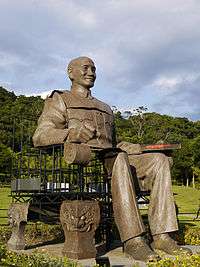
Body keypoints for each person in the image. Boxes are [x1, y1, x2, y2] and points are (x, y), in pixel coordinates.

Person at [33, 56, 191, 262]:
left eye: (94, 69)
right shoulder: (61, 99)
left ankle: (162, 236)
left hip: (113, 155)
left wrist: (141, 148)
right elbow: (40, 136)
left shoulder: (105, 107)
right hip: (90, 162)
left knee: (159, 160)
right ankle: (133, 240)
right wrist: (70, 134)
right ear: (71, 73)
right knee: (119, 160)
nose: (91, 72)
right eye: (85, 68)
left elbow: (113, 142)